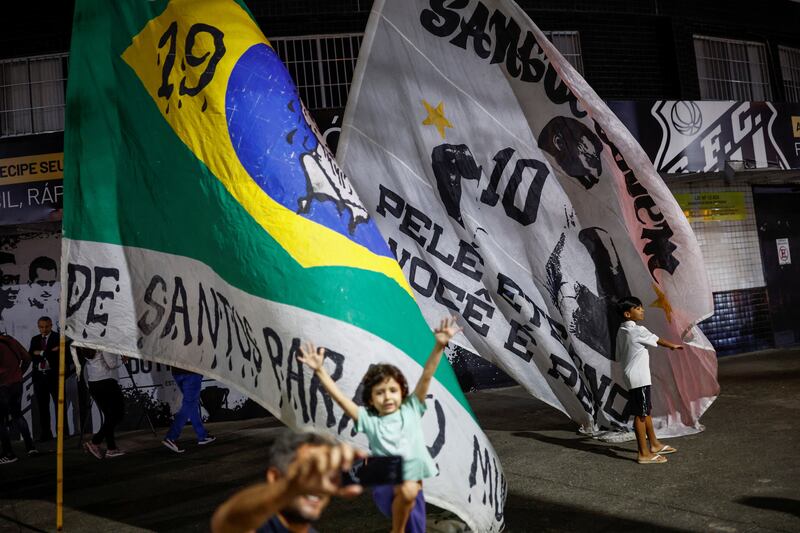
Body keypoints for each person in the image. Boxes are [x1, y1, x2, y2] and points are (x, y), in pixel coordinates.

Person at [298, 317, 460, 533]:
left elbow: (427, 375)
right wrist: (320, 371)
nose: (387, 397)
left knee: (415, 516)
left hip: (411, 488)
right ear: (371, 399)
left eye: (392, 390)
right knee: (408, 490)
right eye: (380, 393)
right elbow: (341, 400)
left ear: (402, 391)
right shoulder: (370, 420)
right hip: (386, 485)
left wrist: (439, 346)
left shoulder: (411, 409)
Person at [211, 429, 364, 533]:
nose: (316, 484)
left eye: (326, 473)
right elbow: (227, 520)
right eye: (308, 470)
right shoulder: (255, 525)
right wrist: (290, 488)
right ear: (275, 477)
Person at [615, 296, 683, 464]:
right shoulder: (637, 330)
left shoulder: (621, 331)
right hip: (639, 378)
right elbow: (657, 339)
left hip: (631, 375)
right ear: (627, 314)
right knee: (641, 415)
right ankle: (643, 454)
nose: (642, 310)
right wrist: (672, 345)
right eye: (638, 308)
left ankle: (654, 444)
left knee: (645, 411)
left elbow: (617, 356)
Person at [537, 115, 603, 190]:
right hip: (560, 149)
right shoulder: (560, 148)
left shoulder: (575, 134)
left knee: (579, 165)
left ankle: (590, 179)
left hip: (567, 143)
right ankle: (586, 182)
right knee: (575, 168)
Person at [0, 333, 38, 464]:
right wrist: (19, 373)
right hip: (16, 383)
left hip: (2, 386)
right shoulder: (10, 340)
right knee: (17, 415)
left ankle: (9, 454)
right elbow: (27, 358)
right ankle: (31, 448)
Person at [83, 349, 126, 459]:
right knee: (118, 414)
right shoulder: (103, 341)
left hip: (94, 383)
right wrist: (123, 359)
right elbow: (111, 364)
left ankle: (111, 449)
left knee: (109, 417)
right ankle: (95, 441)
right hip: (106, 382)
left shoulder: (86, 341)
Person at [162, 367, 215, 453]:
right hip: (192, 372)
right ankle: (171, 437)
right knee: (189, 404)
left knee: (191, 405)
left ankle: (202, 434)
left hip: (177, 372)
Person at [28, 316, 62, 441]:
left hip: (54, 377)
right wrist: (46, 352)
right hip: (39, 378)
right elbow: (31, 354)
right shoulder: (35, 339)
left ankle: (62, 433)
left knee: (59, 406)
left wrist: (40, 352)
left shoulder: (58, 337)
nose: (44, 329)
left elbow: (59, 356)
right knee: (42, 407)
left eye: (46, 326)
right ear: (38, 326)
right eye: (41, 327)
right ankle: (46, 434)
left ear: (51, 325)